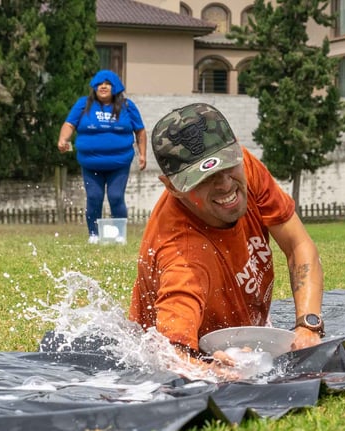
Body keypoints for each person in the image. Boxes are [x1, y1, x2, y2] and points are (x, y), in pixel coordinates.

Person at [128, 103, 324, 376]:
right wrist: (208, 369)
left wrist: (308, 325)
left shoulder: (244, 166)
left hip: (241, 330)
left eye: (227, 166)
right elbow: (171, 355)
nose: (224, 184)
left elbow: (298, 245)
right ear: (173, 187)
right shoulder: (182, 254)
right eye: (203, 178)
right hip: (190, 344)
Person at [57, 70, 147, 244]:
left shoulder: (128, 106)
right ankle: (94, 235)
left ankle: (119, 236)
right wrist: (63, 139)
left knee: (115, 197)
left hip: (119, 163)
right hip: (91, 164)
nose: (103, 86)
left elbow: (140, 131)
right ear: (94, 87)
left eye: (108, 83)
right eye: (100, 84)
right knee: (94, 198)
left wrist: (143, 154)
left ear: (116, 87)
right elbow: (69, 124)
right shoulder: (83, 104)